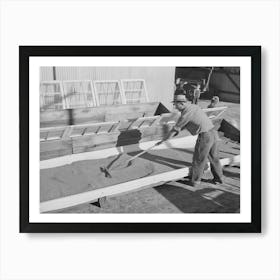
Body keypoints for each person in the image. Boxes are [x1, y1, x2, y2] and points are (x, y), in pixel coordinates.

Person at [161, 94, 224, 187]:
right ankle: (219, 179)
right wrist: (174, 133)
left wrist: (164, 139)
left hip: (205, 136)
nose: (175, 107)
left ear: (181, 103)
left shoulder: (185, 114)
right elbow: (185, 125)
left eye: (175, 104)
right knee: (214, 158)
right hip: (213, 133)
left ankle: (195, 181)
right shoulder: (194, 107)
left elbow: (177, 127)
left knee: (198, 159)